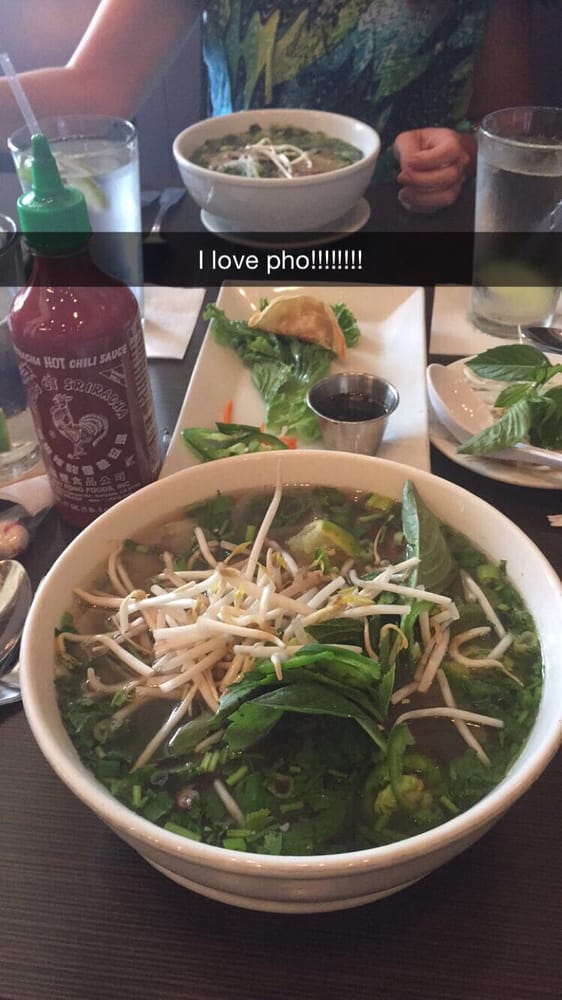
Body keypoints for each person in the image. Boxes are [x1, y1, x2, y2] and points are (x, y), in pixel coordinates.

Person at [0, 0, 533, 212]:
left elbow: (514, 131)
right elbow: (95, 87)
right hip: (240, 229)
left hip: (412, 230)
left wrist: (458, 150)